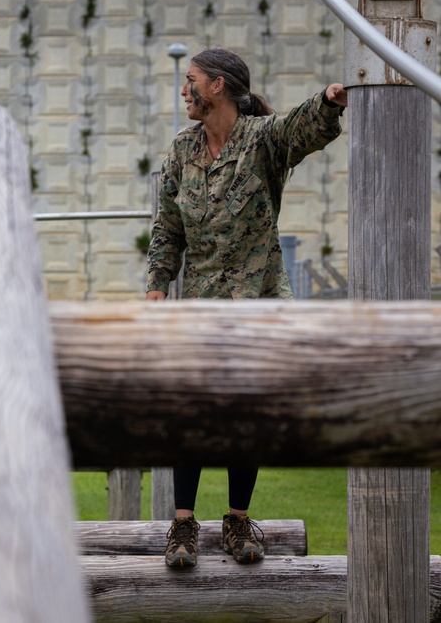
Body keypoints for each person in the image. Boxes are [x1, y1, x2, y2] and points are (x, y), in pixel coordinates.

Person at [146, 47, 347, 569]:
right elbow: (167, 226)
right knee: (190, 414)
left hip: (259, 306)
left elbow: (301, 127)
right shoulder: (182, 150)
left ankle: (237, 522)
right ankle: (183, 527)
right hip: (202, 308)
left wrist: (328, 102)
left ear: (217, 86)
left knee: (247, 417)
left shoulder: (262, 140)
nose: (184, 90)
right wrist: (157, 286)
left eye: (191, 81)